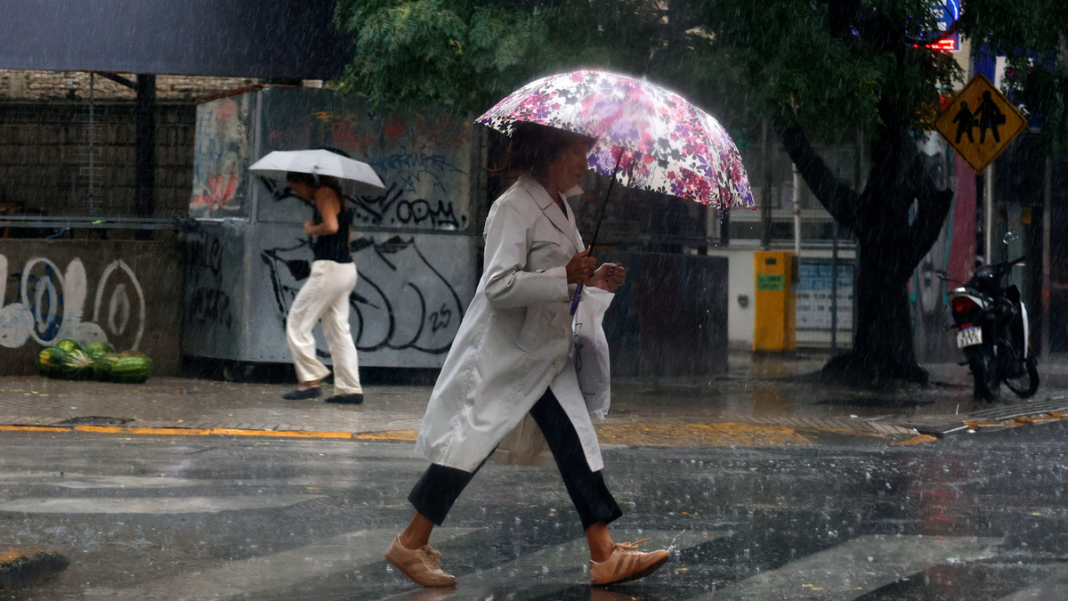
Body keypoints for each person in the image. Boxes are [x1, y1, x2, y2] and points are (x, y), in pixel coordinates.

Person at [384, 123, 669, 587]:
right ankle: (411, 544)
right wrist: (564, 276)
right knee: (476, 445)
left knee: (570, 443)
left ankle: (602, 554)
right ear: (550, 153)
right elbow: (498, 286)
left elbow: (563, 278)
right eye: (579, 152)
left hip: (545, 354)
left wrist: (591, 281)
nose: (585, 162)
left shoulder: (560, 205)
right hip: (509, 355)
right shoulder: (513, 207)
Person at [281, 171, 364, 405]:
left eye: (296, 188)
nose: (298, 194)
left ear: (304, 183)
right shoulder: (338, 196)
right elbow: (346, 235)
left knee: (297, 322)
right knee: (339, 331)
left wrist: (311, 229)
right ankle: (350, 389)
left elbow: (331, 226)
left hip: (329, 269)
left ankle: (310, 382)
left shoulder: (322, 193)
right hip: (346, 269)